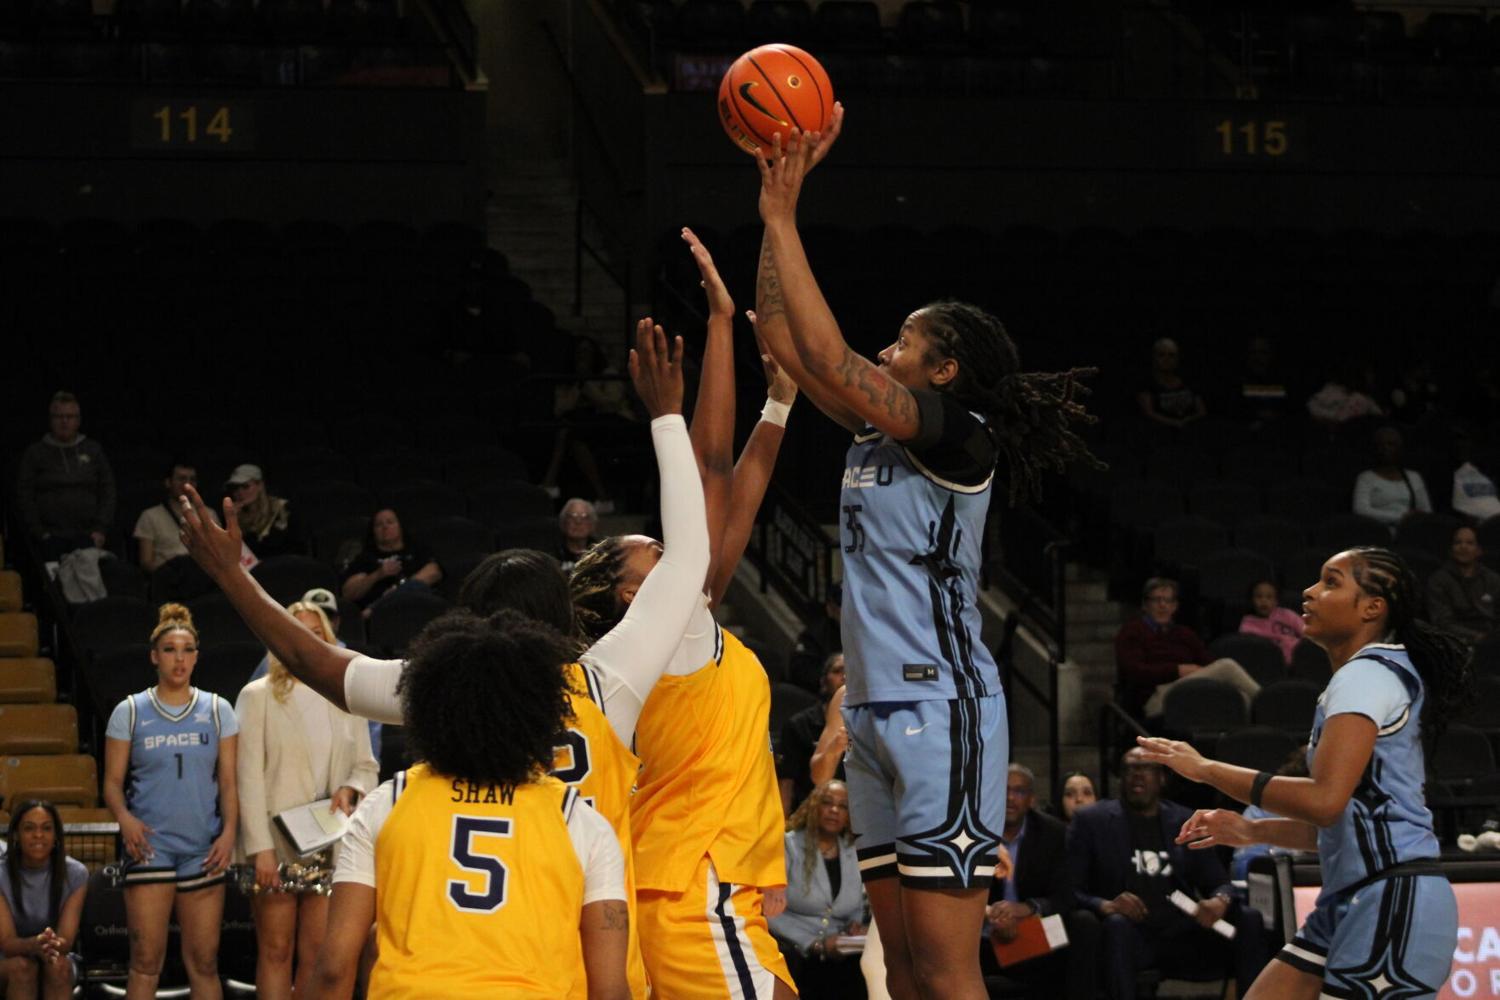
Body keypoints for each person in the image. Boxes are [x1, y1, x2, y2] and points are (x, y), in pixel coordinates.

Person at [753, 117, 1098, 1000]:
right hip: (870, 710)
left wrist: (790, 217)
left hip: (943, 709)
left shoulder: (957, 437)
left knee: (948, 972)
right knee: (899, 968)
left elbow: (827, 352)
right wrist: (769, 209)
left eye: (906, 343)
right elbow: (789, 347)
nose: (888, 349)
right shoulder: (874, 429)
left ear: (943, 372)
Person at [570, 234, 799, 999]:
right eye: (656, 554)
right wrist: (721, 325)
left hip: (705, 884)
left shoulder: (680, 627)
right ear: (635, 597)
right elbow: (710, 467)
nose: (678, 553)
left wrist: (779, 405)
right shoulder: (670, 637)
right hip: (698, 894)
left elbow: (737, 497)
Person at [1136, 546, 1470, 999]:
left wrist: (1206, 769)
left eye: (1331, 582)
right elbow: (1341, 824)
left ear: (1373, 607)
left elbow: (1324, 802)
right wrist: (1251, 832)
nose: (1310, 592)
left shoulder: (1367, 676)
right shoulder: (1368, 675)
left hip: (1391, 897)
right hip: (1356, 895)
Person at [308, 609, 630, 999]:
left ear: (430, 709)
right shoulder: (579, 819)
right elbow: (610, 992)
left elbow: (332, 968)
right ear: (541, 713)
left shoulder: (389, 802)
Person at [235, 600, 377, 1000]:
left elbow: (366, 765)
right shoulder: (256, 696)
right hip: (274, 844)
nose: (307, 642)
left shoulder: (347, 699)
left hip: (329, 843)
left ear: (327, 639)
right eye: (297, 632)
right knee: (276, 951)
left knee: (317, 953)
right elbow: (246, 776)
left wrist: (350, 787)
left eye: (315, 634)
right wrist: (259, 849)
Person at [102, 603, 238, 1000]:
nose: (179, 659)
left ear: (197, 656)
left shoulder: (218, 709)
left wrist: (229, 833)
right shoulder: (129, 711)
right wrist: (124, 819)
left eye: (187, 649)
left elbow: (229, 784)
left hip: (203, 847)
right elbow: (111, 783)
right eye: (170, 649)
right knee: (145, 961)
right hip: (150, 846)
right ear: (154, 656)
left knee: (205, 962)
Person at [1067, 748, 1273, 1000]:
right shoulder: (1092, 821)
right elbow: (1070, 889)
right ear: (1120, 778)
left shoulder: (1184, 820)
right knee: (1116, 926)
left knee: (1248, 919)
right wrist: (1105, 905)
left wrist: (1219, 901)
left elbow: (1220, 882)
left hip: (1184, 932)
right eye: (1130, 769)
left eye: (1146, 768)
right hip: (1133, 935)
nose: (1138, 775)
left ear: (1162, 778)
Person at [980, 765, 1096, 1000]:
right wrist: (992, 914)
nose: (1010, 798)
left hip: (1030, 932)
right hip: (983, 932)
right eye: (1004, 791)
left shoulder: (1053, 833)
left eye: (1019, 792)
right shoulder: (975, 831)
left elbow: (1065, 895)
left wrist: (1028, 909)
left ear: (1031, 800)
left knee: (1083, 923)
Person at [770, 780, 868, 1000]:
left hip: (842, 953)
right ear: (813, 806)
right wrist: (813, 944)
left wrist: (854, 926)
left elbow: (856, 905)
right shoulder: (789, 846)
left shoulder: (853, 853)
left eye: (842, 806)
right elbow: (770, 911)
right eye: (827, 802)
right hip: (796, 951)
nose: (834, 810)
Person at [1115, 577, 1259, 720]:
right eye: (1156, 600)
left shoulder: (1184, 633)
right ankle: (1270, 703)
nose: (1163, 605)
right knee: (1227, 667)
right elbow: (1134, 671)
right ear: (1145, 605)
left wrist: (1199, 673)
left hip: (1192, 690)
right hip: (1155, 697)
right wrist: (1177, 670)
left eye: (1168, 601)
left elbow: (1209, 663)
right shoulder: (1132, 631)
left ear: (1175, 606)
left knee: (1242, 698)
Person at [0, 801, 88, 1000]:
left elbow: (66, 939)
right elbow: (6, 943)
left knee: (58, 967)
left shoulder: (76, 873)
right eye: (29, 828)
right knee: (22, 969)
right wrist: (34, 945)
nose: (38, 835)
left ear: (56, 835)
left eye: (46, 828)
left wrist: (47, 946)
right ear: (15, 835)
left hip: (55, 955)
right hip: (7, 960)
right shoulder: (0, 874)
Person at [540, 336, 638, 512]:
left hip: (610, 424)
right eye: (578, 352)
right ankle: (597, 495)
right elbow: (561, 408)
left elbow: (610, 403)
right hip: (577, 425)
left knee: (570, 433)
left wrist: (586, 381)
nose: (582, 356)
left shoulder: (607, 374)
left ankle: (550, 484)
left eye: (586, 351)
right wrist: (578, 382)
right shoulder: (566, 379)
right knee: (566, 433)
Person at [16, 390, 116, 561]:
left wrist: (100, 529)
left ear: (78, 420)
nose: (64, 422)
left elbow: (108, 490)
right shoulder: (36, 453)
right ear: (50, 420)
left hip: (87, 536)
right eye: (59, 416)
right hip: (50, 538)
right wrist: (40, 533)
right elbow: (25, 495)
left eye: (69, 416)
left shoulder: (93, 450)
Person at [134, 461, 218, 602]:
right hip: (168, 581)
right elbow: (146, 561)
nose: (187, 485)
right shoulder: (150, 515)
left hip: (202, 580)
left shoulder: (209, 514)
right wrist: (174, 573)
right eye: (181, 479)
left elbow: (216, 553)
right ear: (168, 482)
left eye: (192, 480)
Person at [779, 651, 846, 812]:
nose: (845, 677)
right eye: (838, 671)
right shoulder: (798, 725)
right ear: (823, 680)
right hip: (808, 812)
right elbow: (786, 781)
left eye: (851, 671)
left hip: (853, 814)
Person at [338, 509, 442, 612]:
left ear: (400, 526)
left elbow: (434, 573)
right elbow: (348, 593)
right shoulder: (365, 558)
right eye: (379, 524)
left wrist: (396, 592)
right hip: (380, 617)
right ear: (373, 531)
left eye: (390, 522)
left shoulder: (417, 550)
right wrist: (377, 574)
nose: (385, 527)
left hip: (417, 608)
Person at [1426, 524, 1500, 645]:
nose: (1463, 547)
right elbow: (1442, 622)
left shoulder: (1492, 579)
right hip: (1456, 641)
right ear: (1450, 550)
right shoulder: (1439, 580)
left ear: (1479, 550)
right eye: (1457, 543)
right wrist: (1476, 637)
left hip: (1491, 639)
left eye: (1470, 543)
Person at [1352, 426, 1432, 530]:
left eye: (1391, 444)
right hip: (1376, 530)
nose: (1386, 448)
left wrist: (1415, 518)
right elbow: (1361, 510)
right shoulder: (1366, 478)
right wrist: (1401, 517)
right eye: (1381, 445)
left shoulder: (1414, 477)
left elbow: (1426, 511)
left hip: (1408, 532)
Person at [1136, 337, 1206, 432]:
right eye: (1161, 355)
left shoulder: (1188, 383)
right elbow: (1148, 412)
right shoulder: (1147, 385)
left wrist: (1187, 421)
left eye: (1171, 355)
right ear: (1154, 358)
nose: (1167, 359)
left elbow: (1202, 410)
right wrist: (1174, 423)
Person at [225, 465, 293, 559]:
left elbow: (280, 545)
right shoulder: (236, 514)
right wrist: (233, 521)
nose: (240, 493)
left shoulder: (281, 509)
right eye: (236, 488)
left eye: (245, 486)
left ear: (260, 485)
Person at [1239, 578, 1305, 665]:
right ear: (1252, 600)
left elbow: (1306, 632)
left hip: (1299, 657)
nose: (1263, 601)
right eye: (1259, 596)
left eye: (1269, 597)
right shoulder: (1248, 625)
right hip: (1272, 662)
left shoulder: (1287, 615)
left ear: (1276, 601)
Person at [557, 498, 600, 575]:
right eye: (572, 516)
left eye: (585, 517)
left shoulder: (602, 552)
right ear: (563, 522)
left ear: (592, 524)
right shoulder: (552, 553)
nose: (578, 522)